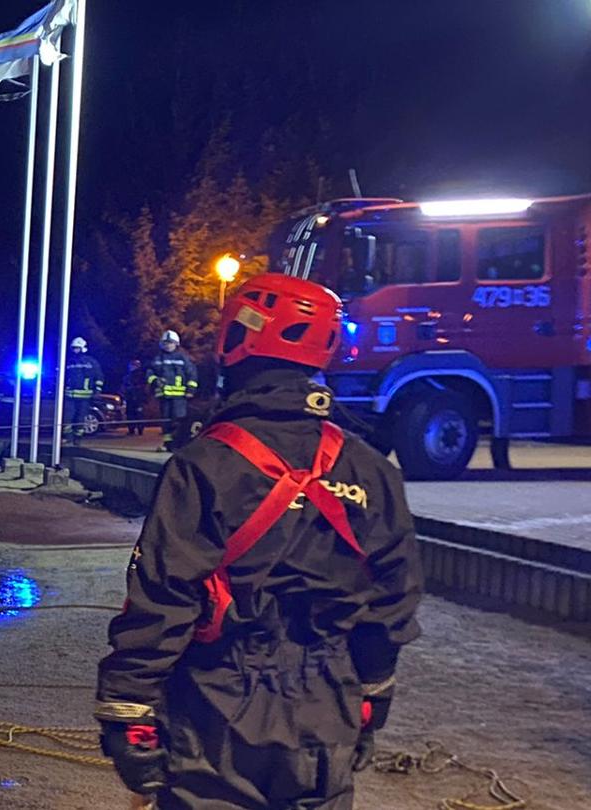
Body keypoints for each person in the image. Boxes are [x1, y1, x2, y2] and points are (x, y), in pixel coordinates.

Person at [95, 273, 422, 810]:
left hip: (218, 704)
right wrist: (370, 695)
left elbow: (164, 596)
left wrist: (128, 707)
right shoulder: (370, 469)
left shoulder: (205, 464)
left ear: (235, 341)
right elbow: (394, 599)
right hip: (328, 701)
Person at [148, 330, 198, 451]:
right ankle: (168, 444)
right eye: (165, 343)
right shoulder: (157, 359)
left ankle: (178, 443)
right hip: (164, 396)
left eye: (170, 343)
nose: (167, 345)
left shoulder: (183, 358)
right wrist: (154, 381)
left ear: (176, 344)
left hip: (179, 397)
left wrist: (190, 390)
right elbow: (150, 373)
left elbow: (192, 374)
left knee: (178, 419)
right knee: (166, 421)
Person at [62, 337, 103, 442]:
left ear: (83, 348)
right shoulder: (69, 362)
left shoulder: (91, 362)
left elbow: (99, 377)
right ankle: (68, 437)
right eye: (74, 348)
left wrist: (97, 390)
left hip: (85, 396)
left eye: (77, 348)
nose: (75, 350)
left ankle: (78, 438)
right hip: (70, 395)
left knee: (80, 417)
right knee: (67, 417)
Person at [121, 358, 150, 436]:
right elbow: (124, 387)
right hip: (130, 398)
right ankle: (132, 429)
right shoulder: (128, 376)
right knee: (131, 414)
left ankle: (139, 429)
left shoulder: (140, 376)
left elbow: (143, 387)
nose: (131, 367)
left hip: (137, 398)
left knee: (138, 414)